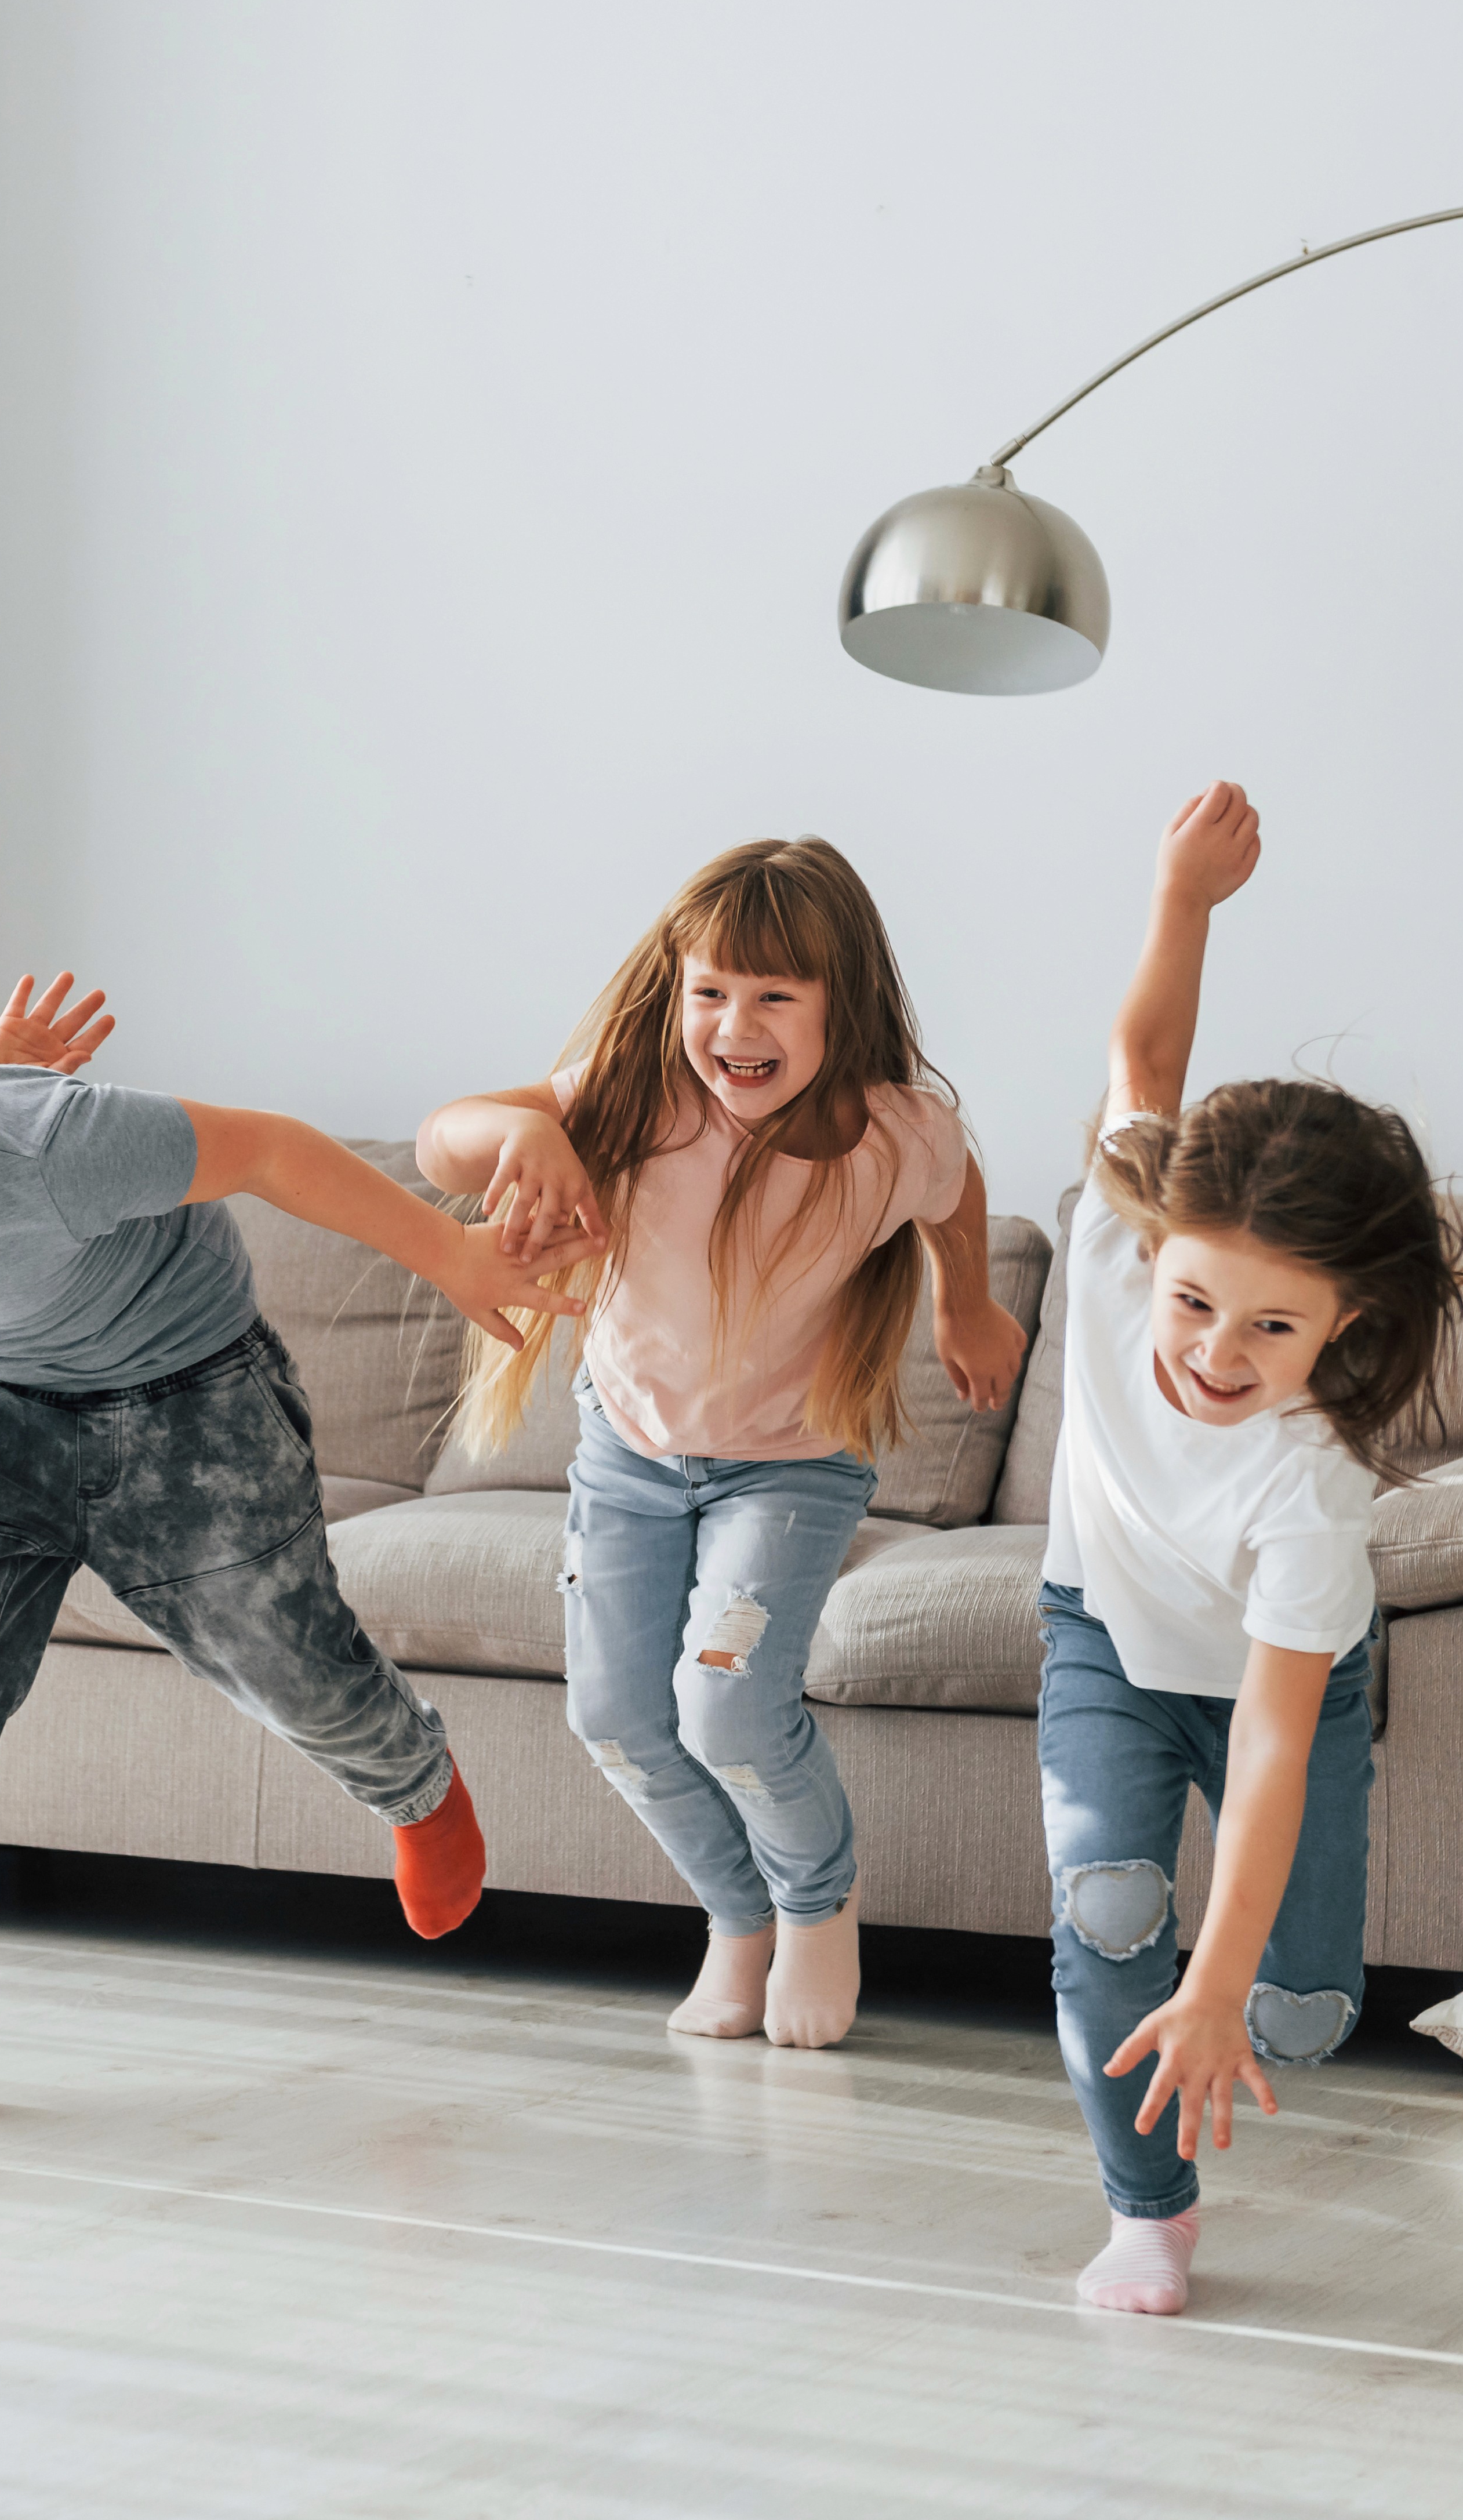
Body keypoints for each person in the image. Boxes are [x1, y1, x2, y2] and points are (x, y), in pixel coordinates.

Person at [0, 932, 586, 2125]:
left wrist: (452, 1251)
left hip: (189, 1396)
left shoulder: (59, 1149)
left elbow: (264, 1149)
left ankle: (417, 1783)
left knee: (290, 1669)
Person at [418, 839, 1022, 2050]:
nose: (734, 1026)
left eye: (774, 997)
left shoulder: (894, 1136)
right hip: (629, 1457)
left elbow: (956, 1193)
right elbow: (443, 1141)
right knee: (613, 1717)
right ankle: (737, 1921)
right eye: (710, 992)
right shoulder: (635, 1098)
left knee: (729, 1711)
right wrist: (519, 1136)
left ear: (840, 1005)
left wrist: (965, 1300)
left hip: (791, 1471)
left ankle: (817, 1909)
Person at [1041, 782, 1463, 2314]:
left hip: (1273, 1685)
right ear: (1154, 1248)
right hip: (1099, 1635)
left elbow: (1277, 1747)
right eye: (1193, 1301)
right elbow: (1143, 1058)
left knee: (1290, 2009)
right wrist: (1183, 897)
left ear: (1343, 1325)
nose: (1214, 1352)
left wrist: (1221, 1983)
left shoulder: (1311, 1487)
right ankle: (1144, 2213)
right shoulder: (1112, 1240)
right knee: (1103, 1915)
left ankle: (1266, 1986)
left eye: (1271, 1326)